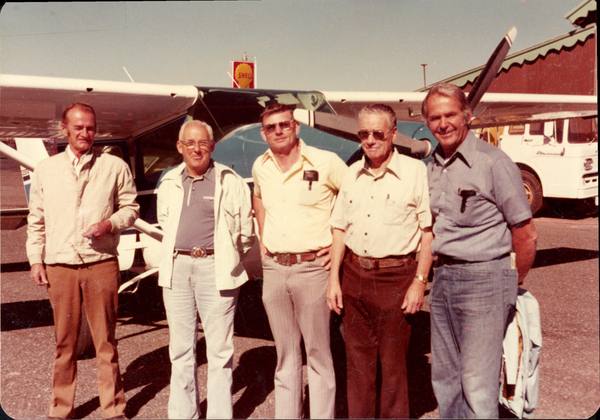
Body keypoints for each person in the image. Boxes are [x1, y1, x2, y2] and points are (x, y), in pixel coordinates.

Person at [422, 83, 538, 418]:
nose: (443, 124)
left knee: (477, 386)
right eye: (435, 118)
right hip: (443, 278)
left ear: (467, 115)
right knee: (445, 381)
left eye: (450, 115)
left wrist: (509, 283)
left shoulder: (493, 162)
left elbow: (526, 234)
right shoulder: (433, 165)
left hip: (485, 278)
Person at [27, 102, 139, 419]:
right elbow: (36, 220)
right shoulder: (46, 170)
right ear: (65, 130)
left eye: (90, 128)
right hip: (60, 265)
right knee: (65, 344)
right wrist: (36, 259)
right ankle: (61, 409)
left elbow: (131, 209)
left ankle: (114, 408)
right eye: (78, 127)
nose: (85, 133)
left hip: (101, 262)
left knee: (106, 342)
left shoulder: (114, 167)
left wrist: (110, 224)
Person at [327, 103, 433, 418]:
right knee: (358, 368)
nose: (370, 140)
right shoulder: (350, 174)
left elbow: (428, 233)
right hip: (353, 276)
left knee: (394, 369)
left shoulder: (415, 172)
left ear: (393, 134)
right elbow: (339, 229)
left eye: (378, 133)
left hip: (396, 279)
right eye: (364, 133)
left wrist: (419, 282)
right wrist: (334, 280)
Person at [252, 102, 347, 418]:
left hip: (312, 270)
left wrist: (336, 249)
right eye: (271, 127)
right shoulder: (260, 166)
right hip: (275, 270)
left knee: (318, 355)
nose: (278, 131)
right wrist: (265, 242)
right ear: (264, 133)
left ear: (296, 128)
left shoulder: (325, 162)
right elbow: (259, 199)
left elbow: (353, 201)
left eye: (284, 124)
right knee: (286, 356)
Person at [156, 119, 255, 419]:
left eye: (203, 143)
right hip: (177, 268)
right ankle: (183, 415)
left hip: (216, 268)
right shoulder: (170, 181)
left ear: (212, 147)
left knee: (220, 352)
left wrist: (221, 257)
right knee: (181, 351)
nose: (196, 149)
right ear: (180, 147)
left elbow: (245, 234)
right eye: (190, 143)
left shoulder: (230, 181)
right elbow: (164, 219)